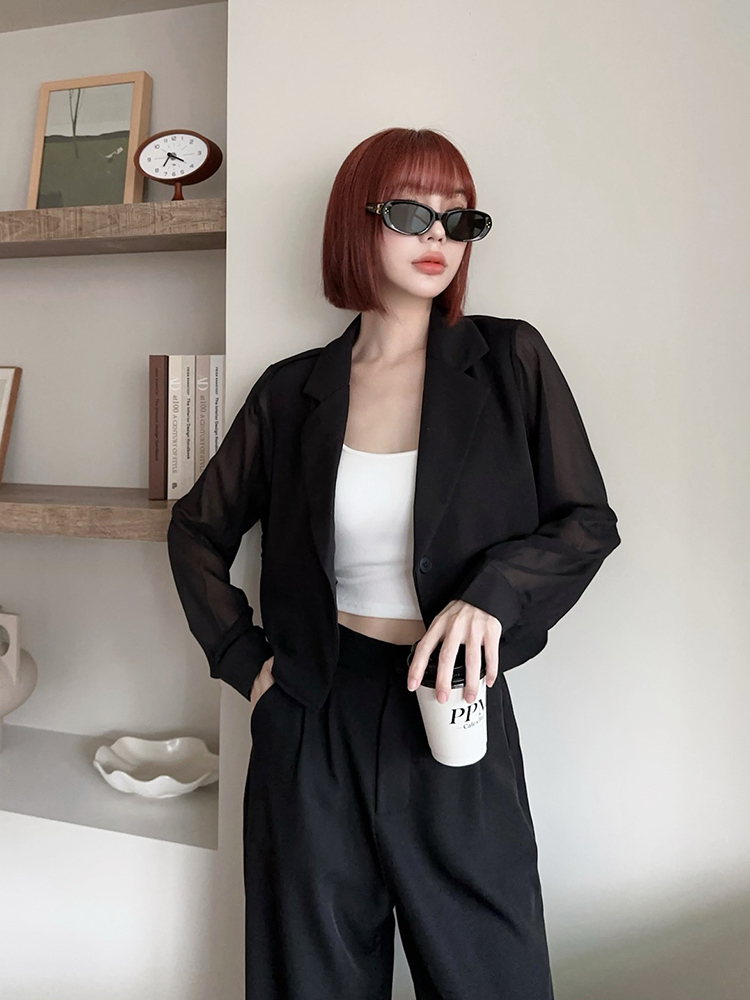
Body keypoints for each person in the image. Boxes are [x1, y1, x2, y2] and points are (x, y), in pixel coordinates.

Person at [166, 126, 621, 1000]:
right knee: (311, 981)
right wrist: (246, 663)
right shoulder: (292, 392)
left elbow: (586, 520)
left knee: (491, 975)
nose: (439, 237)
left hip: (452, 710)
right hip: (313, 716)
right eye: (412, 213)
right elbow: (196, 530)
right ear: (358, 221)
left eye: (460, 218)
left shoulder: (509, 360)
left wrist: (493, 596)